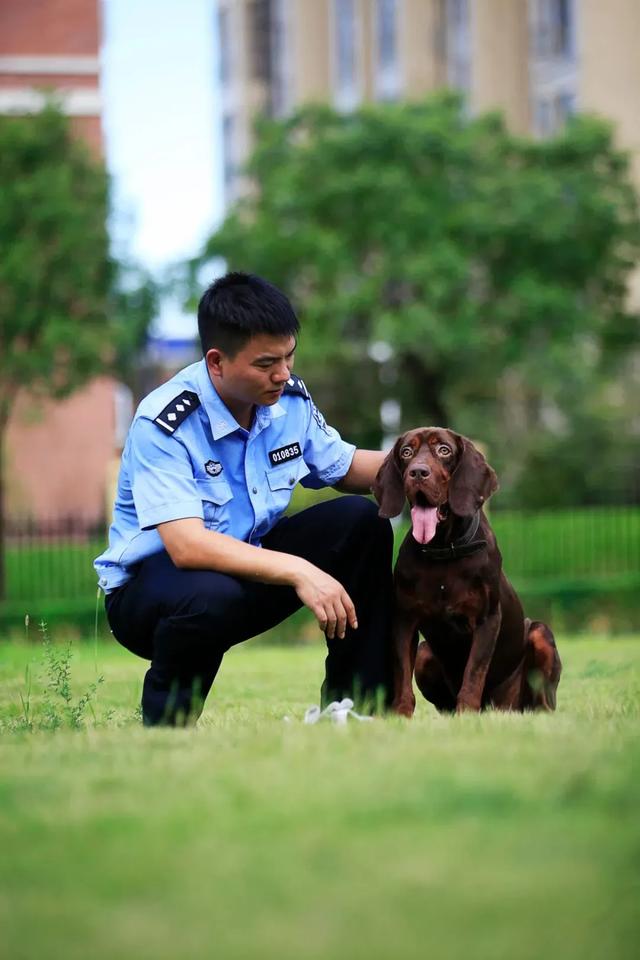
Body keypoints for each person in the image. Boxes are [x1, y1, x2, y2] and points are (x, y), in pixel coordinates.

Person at [95, 272, 394, 726]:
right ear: (216, 362)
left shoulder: (288, 400)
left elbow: (345, 466)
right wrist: (301, 570)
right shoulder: (165, 422)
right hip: (154, 594)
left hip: (246, 572)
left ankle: (356, 707)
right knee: (207, 592)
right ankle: (166, 730)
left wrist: (424, 464)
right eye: (266, 364)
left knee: (362, 521)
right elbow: (187, 547)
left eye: (290, 356)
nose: (283, 373)